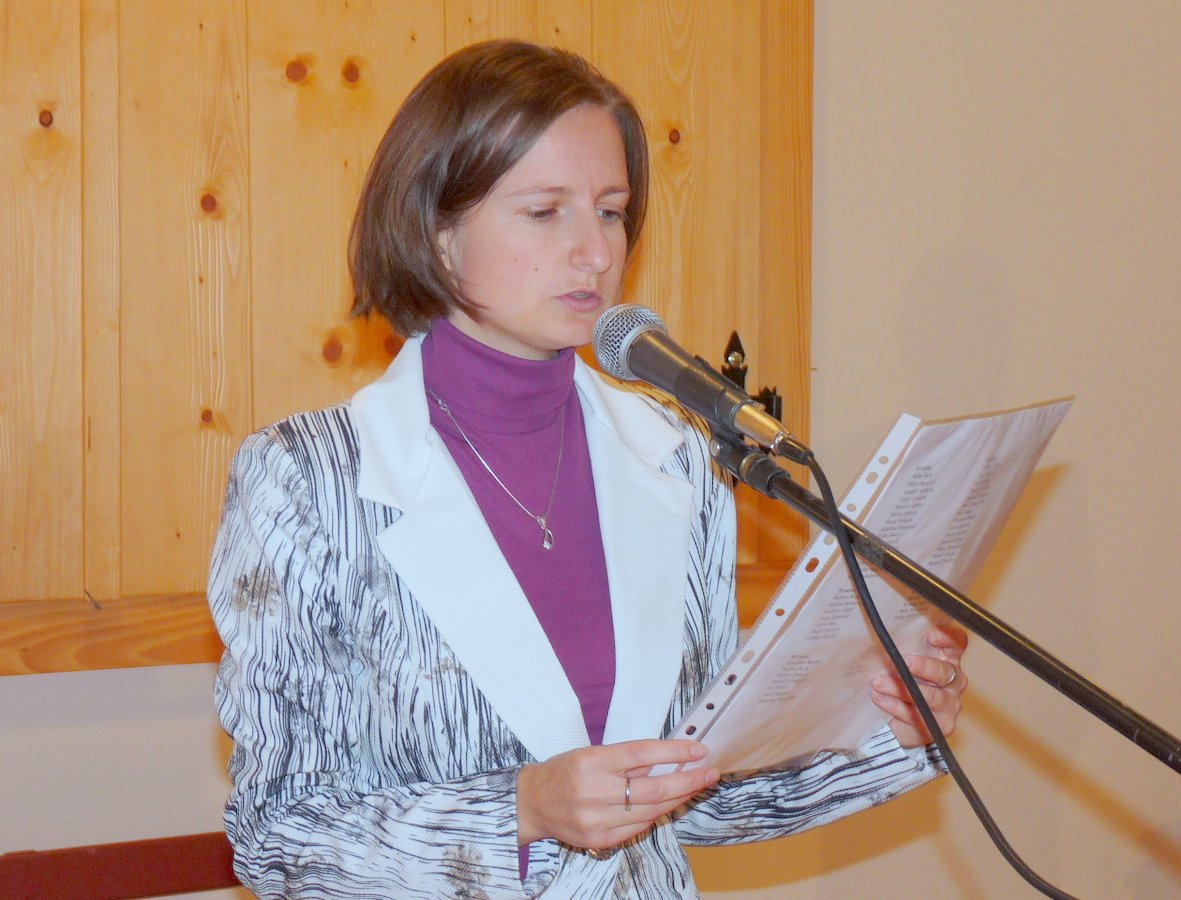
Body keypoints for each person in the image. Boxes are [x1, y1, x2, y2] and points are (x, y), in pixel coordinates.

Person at [209, 38, 968, 899]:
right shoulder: (305, 480)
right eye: (545, 212)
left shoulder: (677, 454)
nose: (598, 253)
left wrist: (889, 734)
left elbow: (697, 789)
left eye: (610, 211)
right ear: (436, 231)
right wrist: (522, 810)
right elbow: (277, 837)